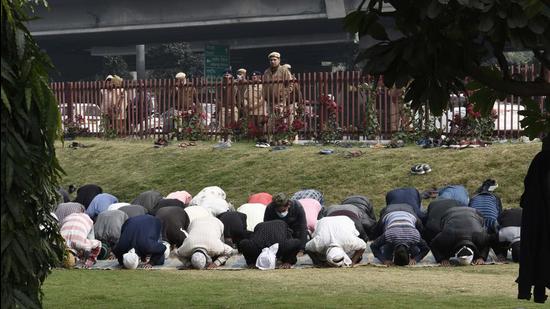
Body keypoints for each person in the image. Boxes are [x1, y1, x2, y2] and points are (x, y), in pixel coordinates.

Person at [517, 135, 550, 304]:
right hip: (542, 217)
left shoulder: (538, 161)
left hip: (534, 217)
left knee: (535, 255)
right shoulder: (543, 162)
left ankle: (537, 293)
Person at [262, 52, 292, 143]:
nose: (273, 61)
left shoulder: (284, 70)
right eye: (271, 60)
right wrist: (265, 96)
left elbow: (290, 84)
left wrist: (283, 95)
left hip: (280, 100)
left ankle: (283, 138)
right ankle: (271, 139)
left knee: (281, 119)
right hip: (270, 101)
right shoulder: (266, 72)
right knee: (271, 120)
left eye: (275, 60)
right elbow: (264, 86)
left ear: (279, 60)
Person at [246, 71, 267, 139]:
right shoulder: (249, 86)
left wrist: (253, 106)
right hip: (250, 110)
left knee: (260, 126)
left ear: (259, 77)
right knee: (251, 126)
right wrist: (246, 104)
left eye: (256, 76)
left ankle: (261, 139)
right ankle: (252, 139)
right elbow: (244, 97)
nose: (254, 77)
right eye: (253, 76)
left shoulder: (263, 85)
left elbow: (263, 99)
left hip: (259, 110)